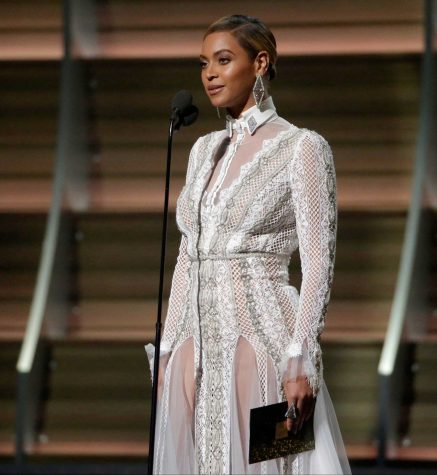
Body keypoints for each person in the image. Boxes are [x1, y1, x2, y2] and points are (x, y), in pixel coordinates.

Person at [146, 14, 352, 475]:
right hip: (195, 351)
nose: (210, 74)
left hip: (262, 350)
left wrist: (301, 356)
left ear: (260, 63)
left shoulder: (302, 148)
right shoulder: (202, 150)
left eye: (223, 60)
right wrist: (167, 349)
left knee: (270, 464)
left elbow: (319, 263)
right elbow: (188, 255)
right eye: (204, 64)